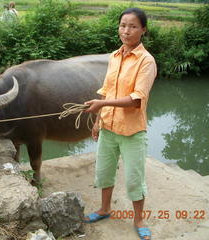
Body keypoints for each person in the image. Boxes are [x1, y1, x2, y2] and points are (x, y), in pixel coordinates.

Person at [83, 8, 156, 240]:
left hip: (132, 131)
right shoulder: (114, 56)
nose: (126, 31)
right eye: (123, 25)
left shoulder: (146, 61)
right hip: (108, 128)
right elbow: (106, 91)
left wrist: (101, 105)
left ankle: (139, 219)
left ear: (143, 30)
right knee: (103, 172)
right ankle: (104, 209)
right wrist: (97, 120)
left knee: (134, 177)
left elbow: (136, 100)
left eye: (133, 26)